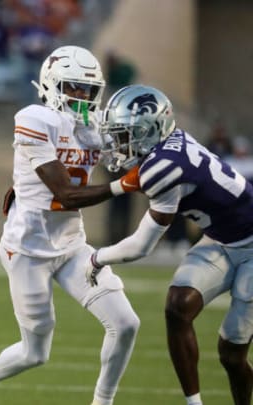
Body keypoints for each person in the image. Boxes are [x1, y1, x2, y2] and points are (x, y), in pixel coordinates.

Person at [0, 45, 142, 405]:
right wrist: (124, 184)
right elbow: (65, 194)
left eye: (88, 90)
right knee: (35, 352)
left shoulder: (94, 125)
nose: (82, 97)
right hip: (28, 249)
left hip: (72, 245)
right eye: (73, 87)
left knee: (126, 324)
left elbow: (128, 155)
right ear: (51, 84)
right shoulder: (34, 119)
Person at [87, 84, 253, 405]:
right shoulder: (168, 144)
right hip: (220, 236)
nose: (117, 143)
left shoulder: (162, 168)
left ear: (149, 131)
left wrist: (97, 258)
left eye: (123, 134)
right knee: (178, 307)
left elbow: (140, 246)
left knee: (231, 355)